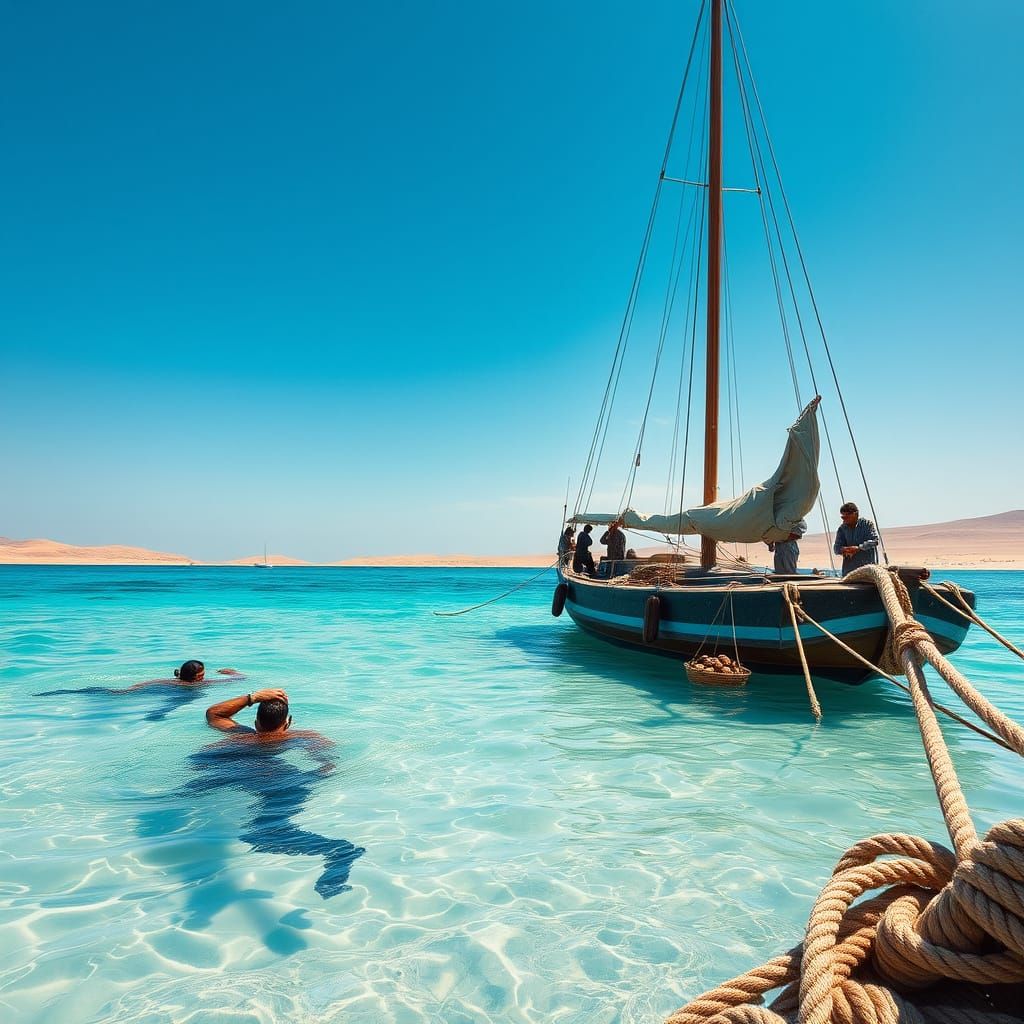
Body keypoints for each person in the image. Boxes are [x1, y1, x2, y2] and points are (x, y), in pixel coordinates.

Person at [833, 502, 880, 576]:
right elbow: (836, 548)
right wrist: (844, 550)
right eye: (842, 517)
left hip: (867, 572)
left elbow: (875, 541)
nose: (844, 520)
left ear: (855, 514)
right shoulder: (842, 529)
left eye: (846, 517)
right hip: (849, 573)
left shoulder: (867, 525)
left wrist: (859, 548)